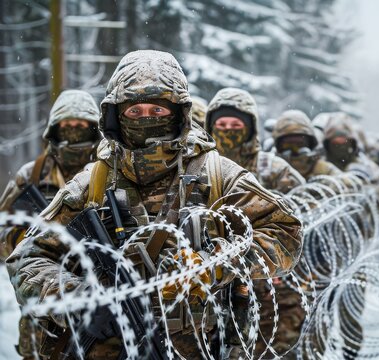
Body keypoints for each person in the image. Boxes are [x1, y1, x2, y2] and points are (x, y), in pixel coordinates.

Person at [7, 50, 303, 359]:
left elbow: (285, 232)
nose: (146, 118)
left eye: (158, 111)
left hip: (199, 345)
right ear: (115, 116)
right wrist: (77, 296)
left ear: (178, 114)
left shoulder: (217, 174)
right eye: (135, 111)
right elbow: (27, 257)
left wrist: (211, 265)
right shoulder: (92, 182)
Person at [0, 89, 101, 360]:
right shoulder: (30, 176)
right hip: (40, 311)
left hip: (93, 298)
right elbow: (4, 233)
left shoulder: (105, 175)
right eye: (67, 126)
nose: (74, 132)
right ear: (54, 130)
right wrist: (35, 239)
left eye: (81, 126)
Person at [205, 87, 305, 194]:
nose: (228, 129)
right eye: (221, 125)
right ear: (211, 128)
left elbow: (303, 200)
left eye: (236, 125)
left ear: (250, 129)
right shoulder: (199, 166)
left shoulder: (273, 169)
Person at [272, 109, 342, 181]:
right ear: (278, 146)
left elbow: (346, 184)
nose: (295, 149)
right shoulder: (271, 170)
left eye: (300, 144)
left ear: (311, 144)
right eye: (288, 145)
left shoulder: (323, 170)